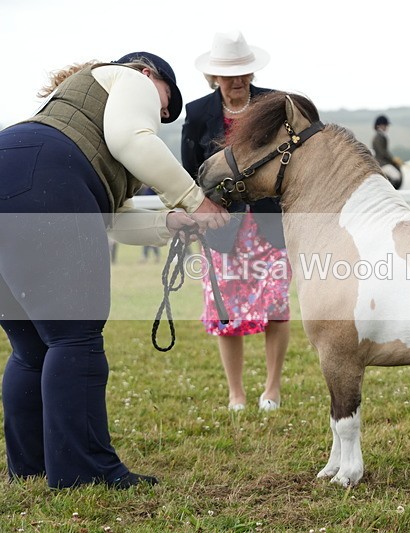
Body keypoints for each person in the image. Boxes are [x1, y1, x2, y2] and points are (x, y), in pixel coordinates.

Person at [0, 52, 230, 490]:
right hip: (45, 181)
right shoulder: (129, 79)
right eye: (167, 99)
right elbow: (132, 140)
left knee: (31, 346)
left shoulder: (75, 121)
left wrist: (169, 221)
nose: (163, 113)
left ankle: (30, 468)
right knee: (75, 337)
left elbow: (112, 217)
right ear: (147, 73)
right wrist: (195, 199)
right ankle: (84, 473)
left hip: (13, 175)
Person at [182, 30, 291, 413]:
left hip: (269, 224)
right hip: (220, 228)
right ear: (214, 77)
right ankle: (236, 393)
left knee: (276, 303)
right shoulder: (197, 114)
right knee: (225, 310)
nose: (237, 81)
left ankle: (273, 388)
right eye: (228, 75)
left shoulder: (276, 104)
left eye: (243, 72)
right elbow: (188, 175)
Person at [372, 115, 403, 188]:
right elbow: (383, 153)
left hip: (383, 162)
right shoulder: (379, 137)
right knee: (396, 176)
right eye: (385, 125)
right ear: (379, 125)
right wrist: (393, 160)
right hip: (382, 163)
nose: (387, 127)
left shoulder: (381, 136)